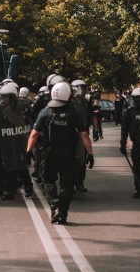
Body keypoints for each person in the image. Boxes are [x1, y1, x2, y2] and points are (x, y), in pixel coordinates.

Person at [27, 81, 94, 224]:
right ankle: (62, 211)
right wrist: (90, 153)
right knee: (67, 184)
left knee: (48, 181)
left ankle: (54, 207)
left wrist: (28, 152)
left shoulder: (45, 112)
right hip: (68, 153)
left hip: (49, 153)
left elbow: (34, 134)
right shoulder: (73, 113)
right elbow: (84, 135)